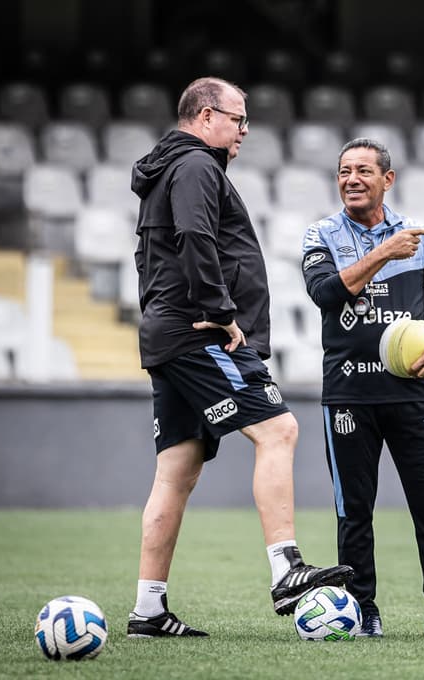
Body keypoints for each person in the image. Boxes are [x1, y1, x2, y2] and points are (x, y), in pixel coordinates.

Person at [126, 76, 352, 638]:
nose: (244, 130)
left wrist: (168, 313)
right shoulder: (198, 166)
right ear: (206, 117)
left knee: (175, 473)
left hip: (168, 333)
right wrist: (220, 311)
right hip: (201, 334)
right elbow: (195, 237)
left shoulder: (167, 169)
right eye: (238, 118)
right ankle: (287, 569)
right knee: (279, 431)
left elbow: (151, 252)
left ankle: (148, 609)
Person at [300, 138, 424, 638]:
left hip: (412, 395)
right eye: (343, 172)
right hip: (348, 396)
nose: (351, 179)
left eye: (362, 171)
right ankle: (362, 611)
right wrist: (383, 252)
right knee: (354, 512)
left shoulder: (421, 240)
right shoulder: (322, 234)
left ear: (387, 179)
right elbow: (325, 294)